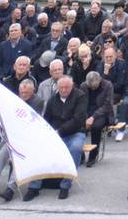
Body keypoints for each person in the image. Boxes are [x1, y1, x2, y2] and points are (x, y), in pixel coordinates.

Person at [33, 72, 87, 200]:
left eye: (66, 87)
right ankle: (34, 186)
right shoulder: (53, 99)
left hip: (75, 132)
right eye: (61, 87)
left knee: (75, 148)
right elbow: (47, 119)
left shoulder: (80, 96)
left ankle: (65, 185)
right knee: (39, 148)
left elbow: (78, 119)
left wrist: (59, 131)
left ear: (72, 86)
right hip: (56, 133)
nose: (63, 90)